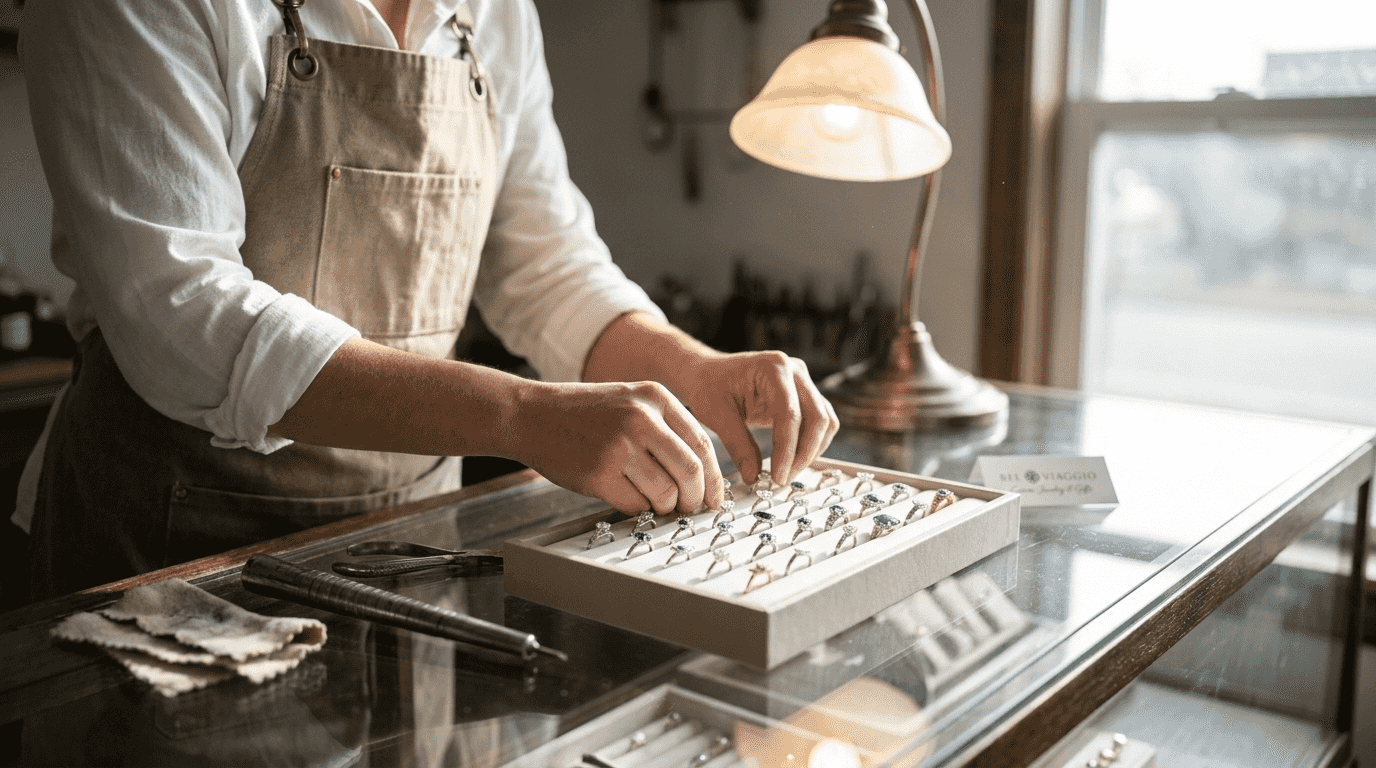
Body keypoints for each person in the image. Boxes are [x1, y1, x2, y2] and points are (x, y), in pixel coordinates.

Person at [15, 0, 838, 599]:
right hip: (174, 558)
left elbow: (543, 263)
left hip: (412, 552)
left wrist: (694, 370)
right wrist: (523, 417)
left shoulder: (493, 13)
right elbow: (184, 316)